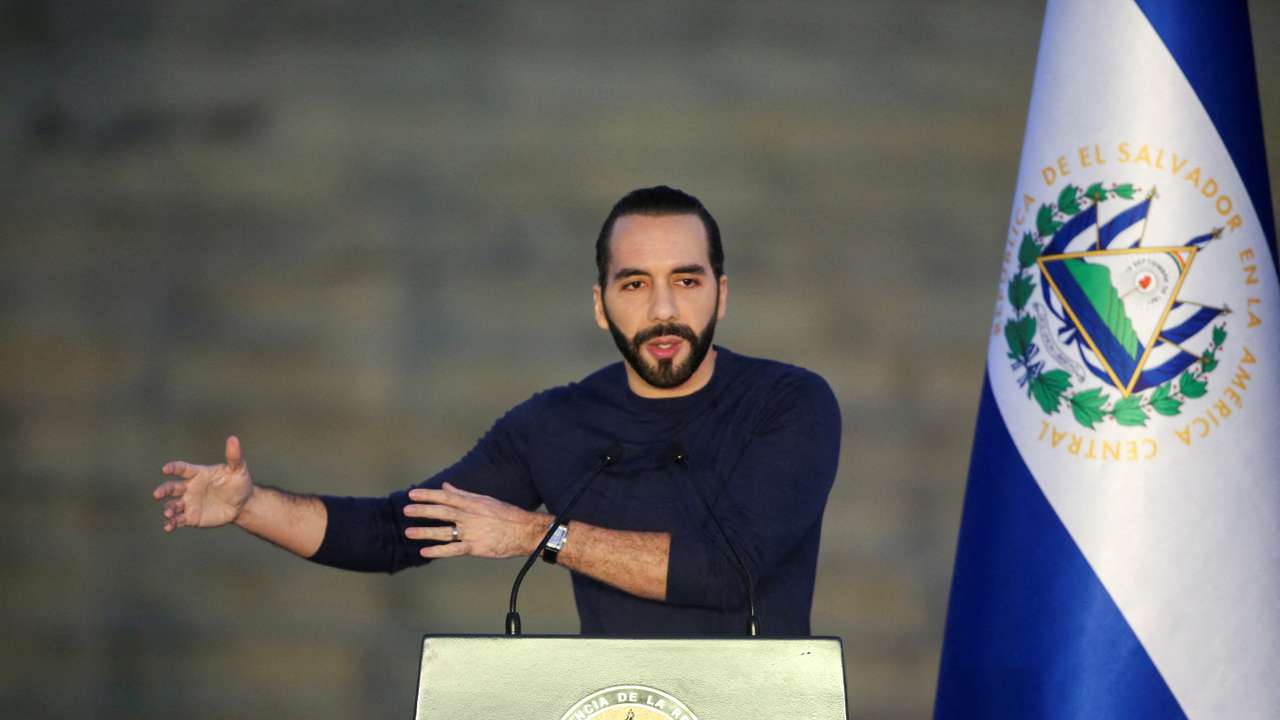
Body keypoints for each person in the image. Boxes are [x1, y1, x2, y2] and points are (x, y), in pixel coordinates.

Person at [153, 185, 841, 636]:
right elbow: (397, 532)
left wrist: (538, 535)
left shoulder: (789, 405)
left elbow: (725, 570)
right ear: (601, 306)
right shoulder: (557, 424)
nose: (663, 310)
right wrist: (250, 507)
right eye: (635, 284)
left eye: (685, 281)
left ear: (721, 294)